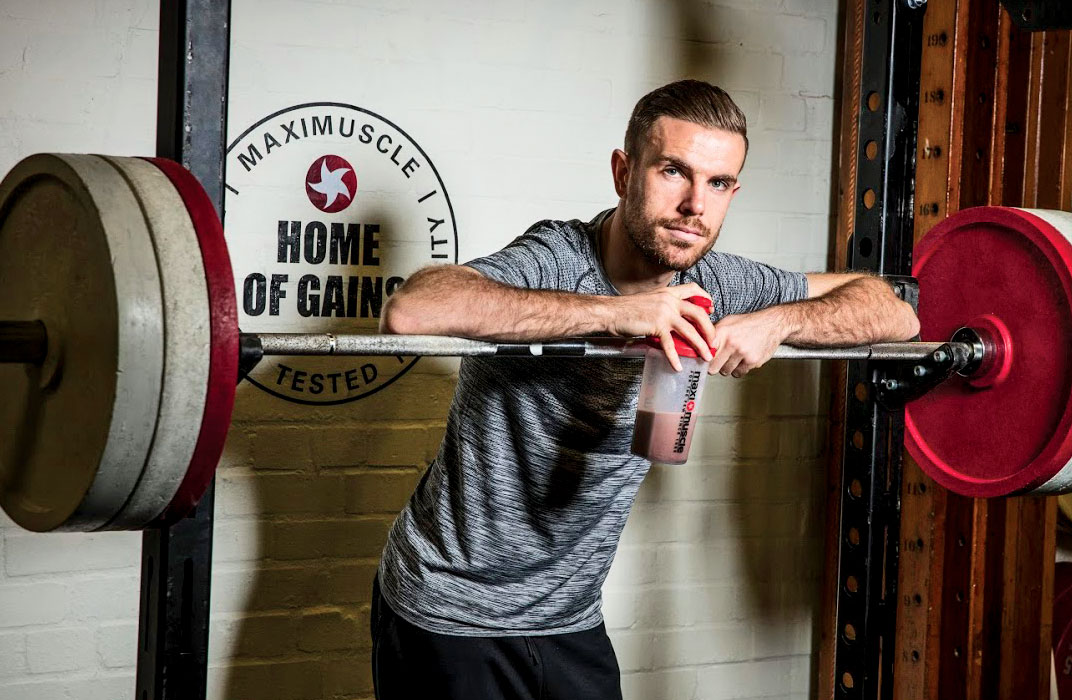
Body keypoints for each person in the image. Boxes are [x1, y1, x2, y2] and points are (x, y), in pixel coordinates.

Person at [370, 79, 919, 699]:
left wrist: (782, 320)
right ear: (623, 172)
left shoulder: (717, 282)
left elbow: (896, 314)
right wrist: (616, 314)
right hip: (450, 609)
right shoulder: (558, 257)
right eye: (672, 172)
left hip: (569, 616)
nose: (694, 206)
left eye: (717, 183)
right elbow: (412, 311)